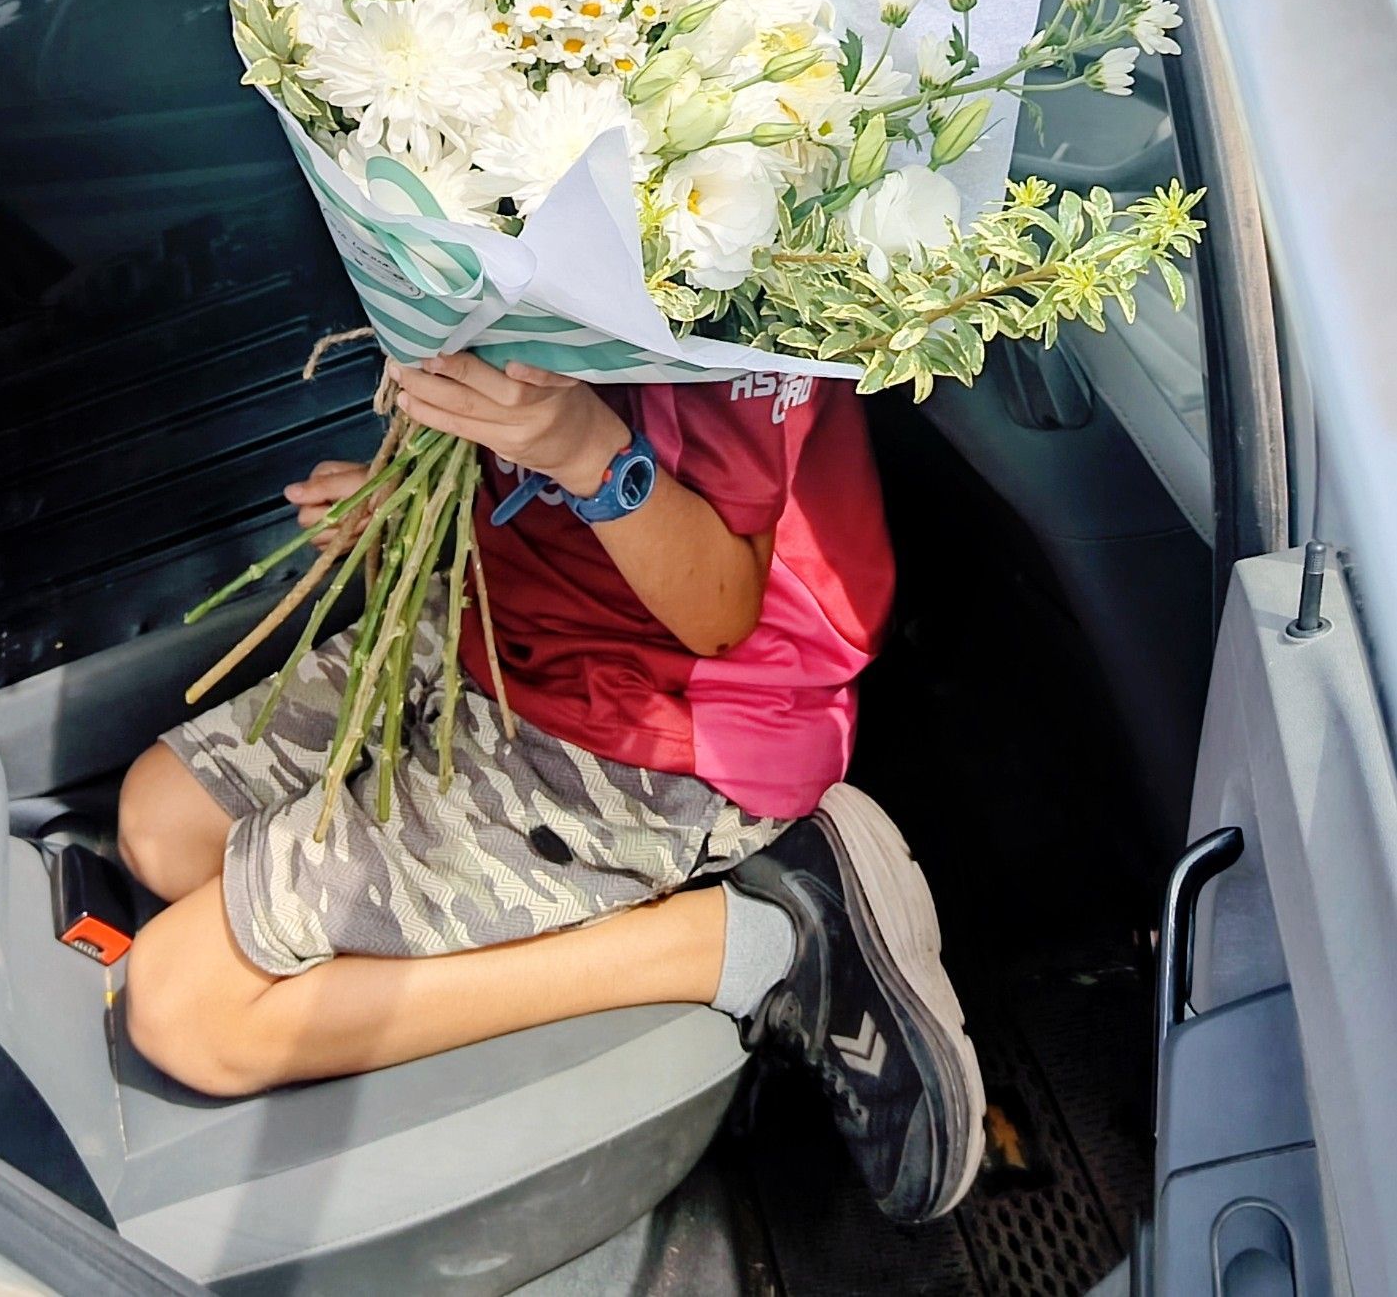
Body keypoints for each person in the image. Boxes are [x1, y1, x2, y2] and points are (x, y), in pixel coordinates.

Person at [118, 352, 985, 1227]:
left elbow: (720, 612)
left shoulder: (716, 313)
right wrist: (401, 504)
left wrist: (589, 454)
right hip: (485, 620)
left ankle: (752, 943)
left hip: (655, 730)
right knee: (159, 827)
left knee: (188, 1012)